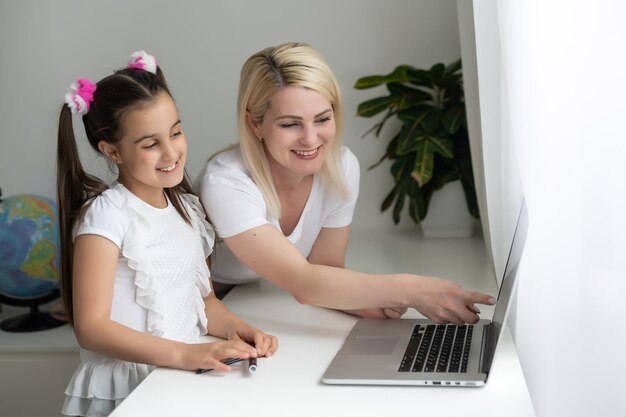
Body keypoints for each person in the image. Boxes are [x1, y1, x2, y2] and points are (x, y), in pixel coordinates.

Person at [194, 42, 495, 322]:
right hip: (201, 306)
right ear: (254, 124)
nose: (311, 139)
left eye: (322, 119)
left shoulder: (341, 166)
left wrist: (372, 305)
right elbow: (304, 282)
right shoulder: (225, 183)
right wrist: (413, 289)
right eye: (290, 124)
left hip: (245, 299)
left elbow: (324, 270)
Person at [57, 51, 278, 417]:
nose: (171, 151)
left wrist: (240, 330)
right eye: (150, 144)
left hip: (178, 375)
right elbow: (91, 329)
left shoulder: (186, 210)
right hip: (127, 388)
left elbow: (204, 304)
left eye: (175, 132)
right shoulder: (108, 214)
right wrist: (184, 354)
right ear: (111, 150)